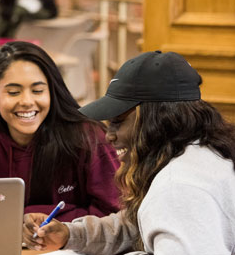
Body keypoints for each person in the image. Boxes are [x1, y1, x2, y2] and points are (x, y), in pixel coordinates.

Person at [23, 50, 235, 254]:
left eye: (118, 122)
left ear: (157, 121)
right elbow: (134, 225)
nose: (109, 136)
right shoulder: (202, 152)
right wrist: (70, 234)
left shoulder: (179, 188)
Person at [0, 41, 120, 223]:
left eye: (37, 90)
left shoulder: (88, 138)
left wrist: (56, 224)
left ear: (52, 91)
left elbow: (115, 215)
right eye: (13, 92)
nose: (27, 101)